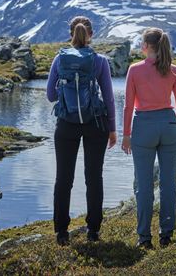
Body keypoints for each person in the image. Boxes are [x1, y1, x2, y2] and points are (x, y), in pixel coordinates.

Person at [47, 16, 117, 246]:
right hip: (95, 123)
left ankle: (61, 232)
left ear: (71, 34)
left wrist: (67, 92)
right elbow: (108, 98)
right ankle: (93, 230)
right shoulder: (100, 61)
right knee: (93, 177)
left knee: (63, 178)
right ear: (91, 35)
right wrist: (113, 129)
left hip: (66, 124)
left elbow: (50, 96)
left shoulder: (59, 58)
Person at [122, 27, 176, 249]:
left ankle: (144, 238)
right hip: (169, 126)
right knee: (169, 183)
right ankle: (166, 235)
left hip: (143, 128)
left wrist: (126, 135)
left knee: (144, 185)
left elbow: (129, 106)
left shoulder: (135, 70)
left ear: (147, 46)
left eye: (141, 43)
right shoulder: (174, 70)